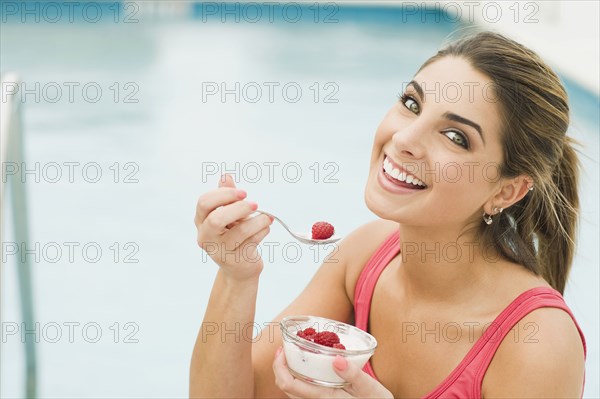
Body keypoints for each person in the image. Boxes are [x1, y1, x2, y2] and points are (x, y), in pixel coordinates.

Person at [189, 31, 586, 398]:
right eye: (412, 104)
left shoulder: (538, 343)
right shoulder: (365, 257)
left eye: (455, 137)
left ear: (506, 190)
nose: (405, 139)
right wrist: (236, 276)